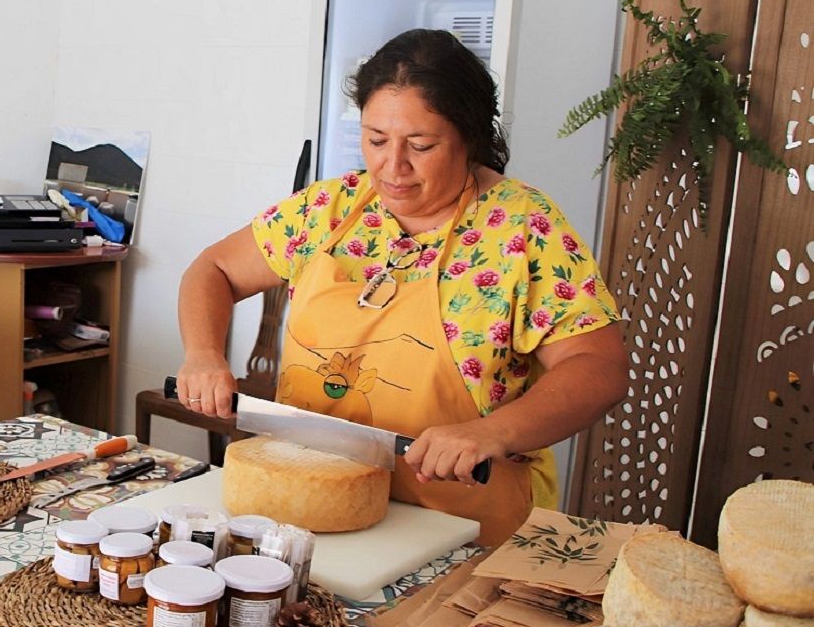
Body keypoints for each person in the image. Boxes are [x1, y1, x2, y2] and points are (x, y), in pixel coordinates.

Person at [175, 28, 628, 545]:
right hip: (306, 504)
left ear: (471, 137)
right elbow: (213, 269)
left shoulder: (524, 228)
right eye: (375, 140)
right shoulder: (331, 209)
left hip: (459, 525)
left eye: (421, 145)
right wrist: (204, 354)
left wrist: (490, 433)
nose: (393, 168)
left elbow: (598, 368)